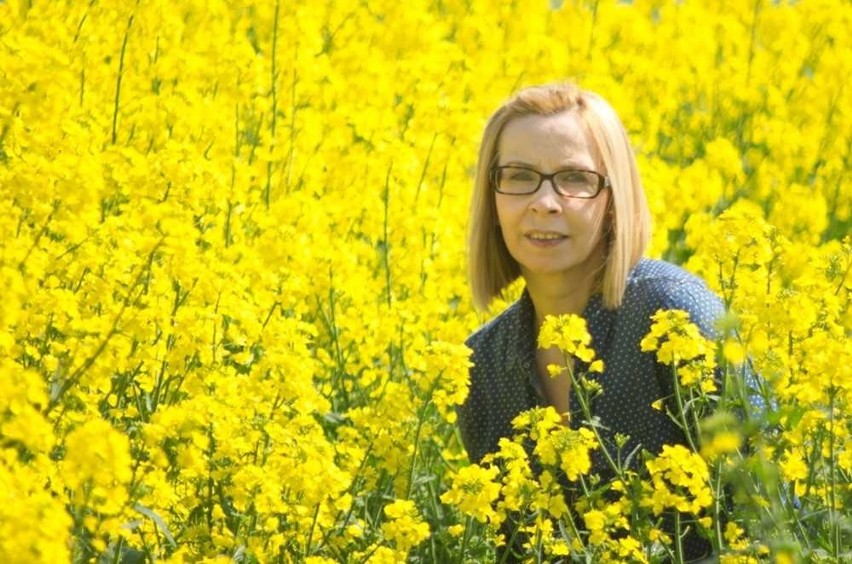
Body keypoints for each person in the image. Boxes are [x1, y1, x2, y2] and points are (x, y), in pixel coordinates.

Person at [458, 82, 724, 562]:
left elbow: (769, 523)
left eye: (574, 179)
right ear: (492, 199)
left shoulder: (675, 314)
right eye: (519, 176)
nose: (545, 202)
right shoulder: (480, 368)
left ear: (613, 197)